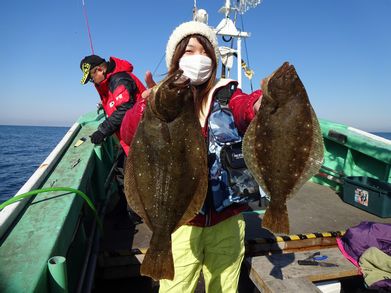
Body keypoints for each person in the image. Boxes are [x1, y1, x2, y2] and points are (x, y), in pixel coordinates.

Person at [144, 21, 263, 293]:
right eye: (188, 51)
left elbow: (245, 109)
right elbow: (129, 133)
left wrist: (259, 104)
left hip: (228, 220)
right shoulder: (161, 97)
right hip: (181, 222)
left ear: (213, 58)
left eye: (204, 51)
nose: (197, 58)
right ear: (175, 59)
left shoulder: (228, 93)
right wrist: (146, 106)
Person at [80, 55, 147, 156]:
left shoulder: (119, 80)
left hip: (141, 139)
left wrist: (102, 131)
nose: (93, 82)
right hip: (132, 138)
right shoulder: (110, 80)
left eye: (91, 78)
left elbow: (125, 109)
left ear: (99, 70)